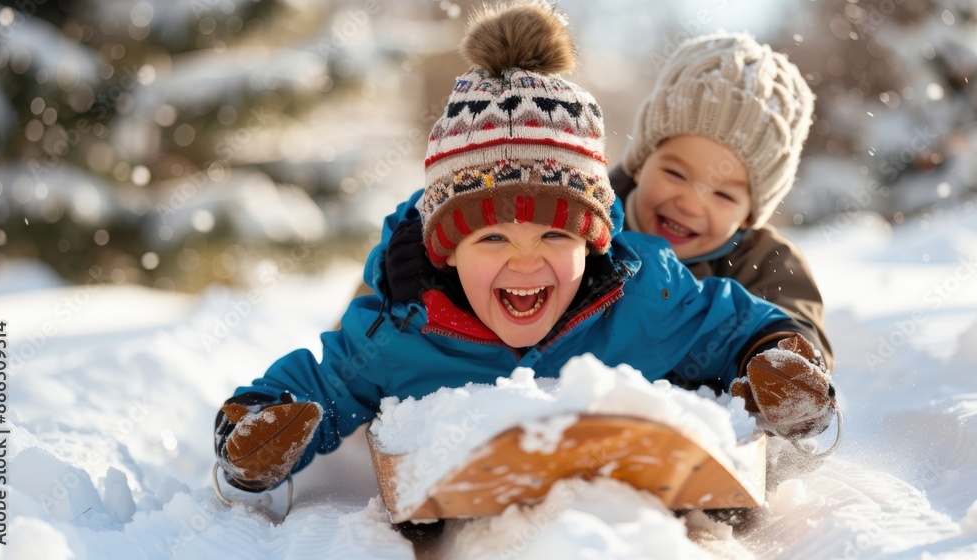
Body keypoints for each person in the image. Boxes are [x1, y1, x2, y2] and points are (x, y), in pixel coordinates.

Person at [214, 1, 836, 495]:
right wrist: (261, 424)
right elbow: (328, 379)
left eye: (555, 235)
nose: (524, 259)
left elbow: (731, 322)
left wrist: (775, 359)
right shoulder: (403, 330)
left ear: (591, 244)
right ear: (450, 250)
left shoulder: (645, 290)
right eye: (491, 237)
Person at [612, 32, 833, 371]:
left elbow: (795, 324)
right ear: (641, 164)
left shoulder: (763, 263)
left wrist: (784, 368)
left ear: (749, 215)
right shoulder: (586, 220)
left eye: (723, 194)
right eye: (675, 173)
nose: (689, 204)